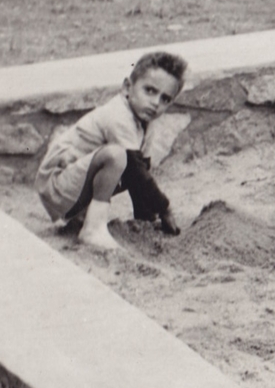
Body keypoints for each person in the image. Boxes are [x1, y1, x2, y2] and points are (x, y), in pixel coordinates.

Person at [37, 51, 186, 252]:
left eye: (165, 99)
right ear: (127, 87)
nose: (155, 103)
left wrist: (146, 219)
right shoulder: (118, 115)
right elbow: (136, 171)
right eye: (150, 90)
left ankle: (84, 216)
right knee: (117, 157)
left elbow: (141, 174)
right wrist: (164, 207)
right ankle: (93, 229)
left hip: (77, 184)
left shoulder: (146, 122)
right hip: (56, 184)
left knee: (134, 164)